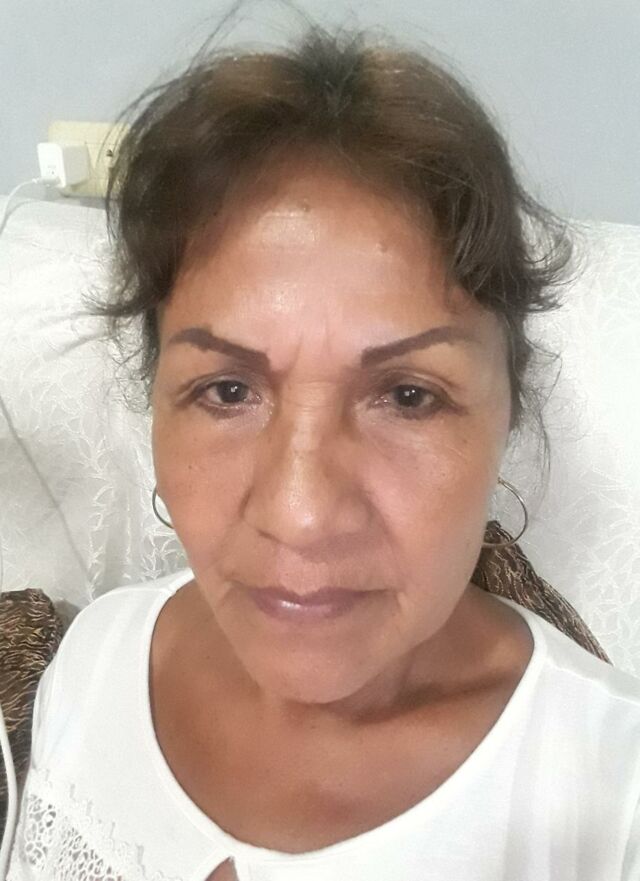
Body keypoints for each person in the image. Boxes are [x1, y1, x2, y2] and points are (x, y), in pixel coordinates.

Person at [6, 23, 640, 881]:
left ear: (507, 418)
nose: (300, 513)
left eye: (407, 396)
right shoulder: (93, 663)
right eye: (227, 390)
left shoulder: (612, 795)